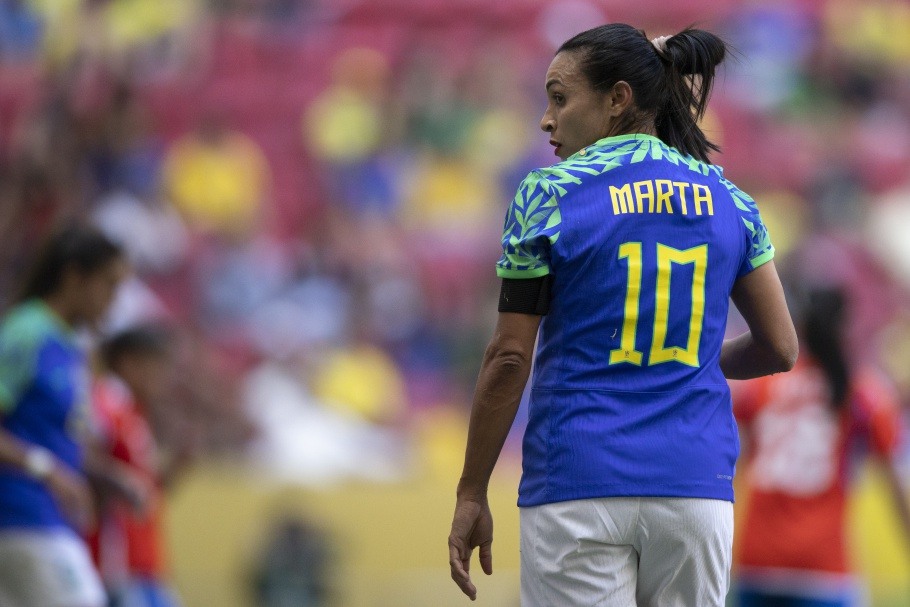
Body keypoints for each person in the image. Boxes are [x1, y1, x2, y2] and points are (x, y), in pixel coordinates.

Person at [447, 24, 798, 606]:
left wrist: (471, 491)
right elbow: (780, 349)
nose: (546, 118)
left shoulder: (547, 194)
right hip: (695, 486)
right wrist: (687, 360)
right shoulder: (731, 199)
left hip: (576, 483)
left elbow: (511, 356)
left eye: (560, 97)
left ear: (617, 98)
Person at [732, 286, 910, 607]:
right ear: (847, 329)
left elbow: (731, 462)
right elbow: (896, 487)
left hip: (756, 561)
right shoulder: (861, 395)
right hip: (822, 568)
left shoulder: (763, 387)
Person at [0, 225, 129, 607]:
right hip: (22, 513)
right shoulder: (27, 332)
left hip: (50, 519)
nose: (113, 301)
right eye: (109, 285)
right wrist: (48, 471)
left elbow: (52, 433)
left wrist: (103, 476)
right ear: (75, 276)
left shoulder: (71, 346)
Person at [91, 325, 188, 607]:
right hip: (119, 563)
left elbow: (145, 493)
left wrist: (176, 468)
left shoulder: (135, 414)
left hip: (146, 562)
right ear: (128, 362)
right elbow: (87, 461)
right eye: (158, 364)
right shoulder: (106, 404)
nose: (164, 376)